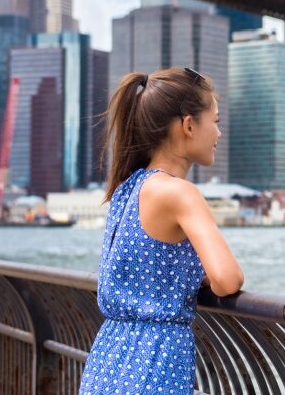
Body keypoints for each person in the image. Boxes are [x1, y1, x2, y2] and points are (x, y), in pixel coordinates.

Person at [80, 67, 244, 394]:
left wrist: (188, 275)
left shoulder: (128, 188)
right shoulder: (179, 193)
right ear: (188, 125)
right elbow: (227, 280)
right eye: (216, 121)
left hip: (108, 357)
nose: (218, 133)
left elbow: (148, 262)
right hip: (155, 361)